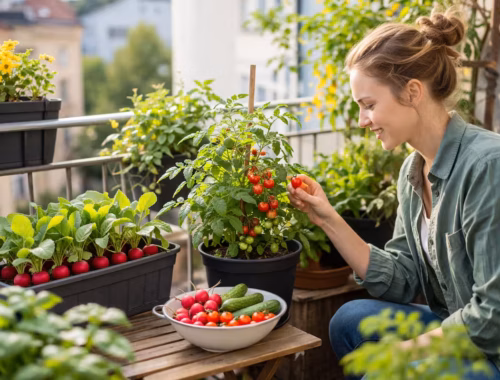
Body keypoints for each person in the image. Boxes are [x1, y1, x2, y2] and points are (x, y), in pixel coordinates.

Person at [287, 7, 500, 380]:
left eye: (369, 105)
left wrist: (403, 355)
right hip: (456, 327)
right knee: (350, 321)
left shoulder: (486, 166)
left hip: (492, 349)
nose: (363, 121)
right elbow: (401, 279)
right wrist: (327, 218)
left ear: (413, 92)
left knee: (385, 371)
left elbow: (493, 316)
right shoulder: (412, 172)